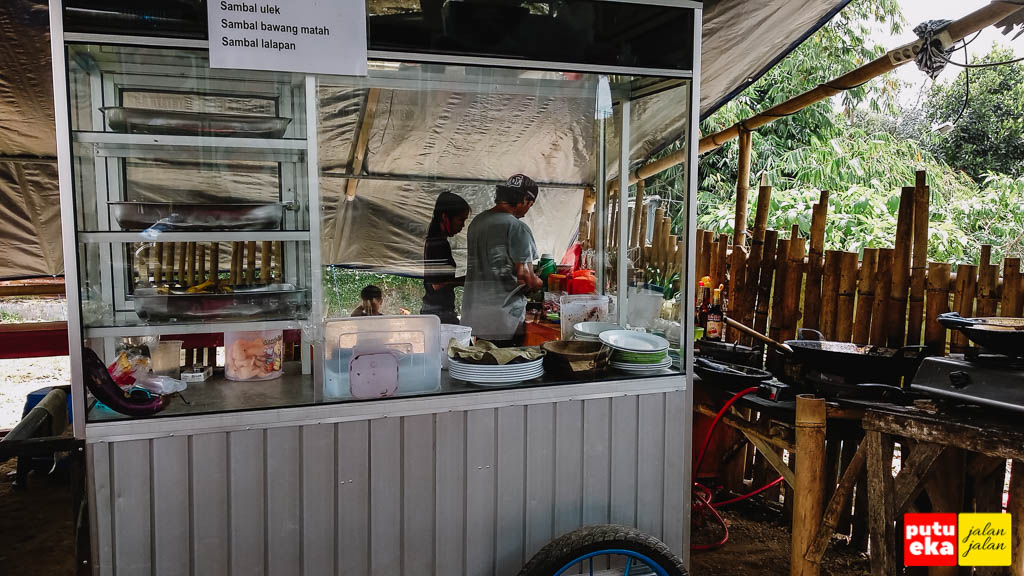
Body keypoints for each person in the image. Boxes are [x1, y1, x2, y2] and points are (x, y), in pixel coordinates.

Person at [461, 174, 544, 346]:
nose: (527, 210)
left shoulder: (477, 222)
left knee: (483, 366)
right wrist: (540, 283)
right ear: (525, 200)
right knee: (505, 369)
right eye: (530, 204)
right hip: (504, 321)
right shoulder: (517, 227)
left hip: (476, 317)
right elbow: (526, 277)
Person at [421, 191, 471, 324]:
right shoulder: (439, 244)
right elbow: (437, 284)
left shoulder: (434, 241)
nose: (462, 225)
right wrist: (466, 280)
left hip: (435, 310)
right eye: (460, 219)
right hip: (439, 313)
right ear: (445, 217)